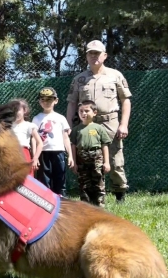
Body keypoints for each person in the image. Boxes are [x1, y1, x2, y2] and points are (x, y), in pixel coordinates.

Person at [66, 40, 132, 202]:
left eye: (97, 53)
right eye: (90, 53)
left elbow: (125, 100)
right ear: (86, 56)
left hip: (110, 122)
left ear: (105, 55)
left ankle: (120, 194)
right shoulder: (79, 79)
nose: (94, 56)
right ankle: (91, 195)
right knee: (87, 159)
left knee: (115, 159)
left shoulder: (115, 75)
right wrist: (68, 126)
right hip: (86, 125)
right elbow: (72, 103)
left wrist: (123, 124)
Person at [70, 100, 112, 207]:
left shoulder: (99, 128)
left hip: (96, 158)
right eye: (81, 111)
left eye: (87, 111)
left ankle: (99, 205)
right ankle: (86, 206)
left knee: (98, 181)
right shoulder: (76, 130)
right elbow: (73, 146)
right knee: (84, 183)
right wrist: (74, 162)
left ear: (94, 112)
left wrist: (106, 162)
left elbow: (104, 145)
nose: (83, 114)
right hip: (81, 159)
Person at [33, 87, 74, 196]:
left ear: (56, 101)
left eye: (49, 99)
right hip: (43, 153)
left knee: (59, 177)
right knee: (44, 179)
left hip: (59, 152)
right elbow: (34, 139)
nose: (46, 102)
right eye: (43, 100)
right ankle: (46, 200)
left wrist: (70, 155)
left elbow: (66, 137)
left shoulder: (61, 118)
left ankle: (62, 200)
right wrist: (35, 157)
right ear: (39, 101)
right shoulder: (36, 118)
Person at [10, 99, 44, 177]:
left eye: (17, 110)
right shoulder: (8, 126)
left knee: (26, 179)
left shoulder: (29, 125)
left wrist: (35, 158)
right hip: (10, 155)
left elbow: (40, 143)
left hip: (24, 155)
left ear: (24, 110)